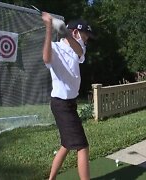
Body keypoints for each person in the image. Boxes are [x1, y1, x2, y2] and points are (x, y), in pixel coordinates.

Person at [42, 12, 94, 180]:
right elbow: (46, 58)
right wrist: (49, 28)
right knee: (82, 146)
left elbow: (79, 51)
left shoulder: (79, 48)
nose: (86, 39)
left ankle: (51, 179)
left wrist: (64, 32)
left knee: (66, 145)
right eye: (85, 35)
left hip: (70, 104)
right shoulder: (55, 47)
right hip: (60, 104)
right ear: (76, 32)